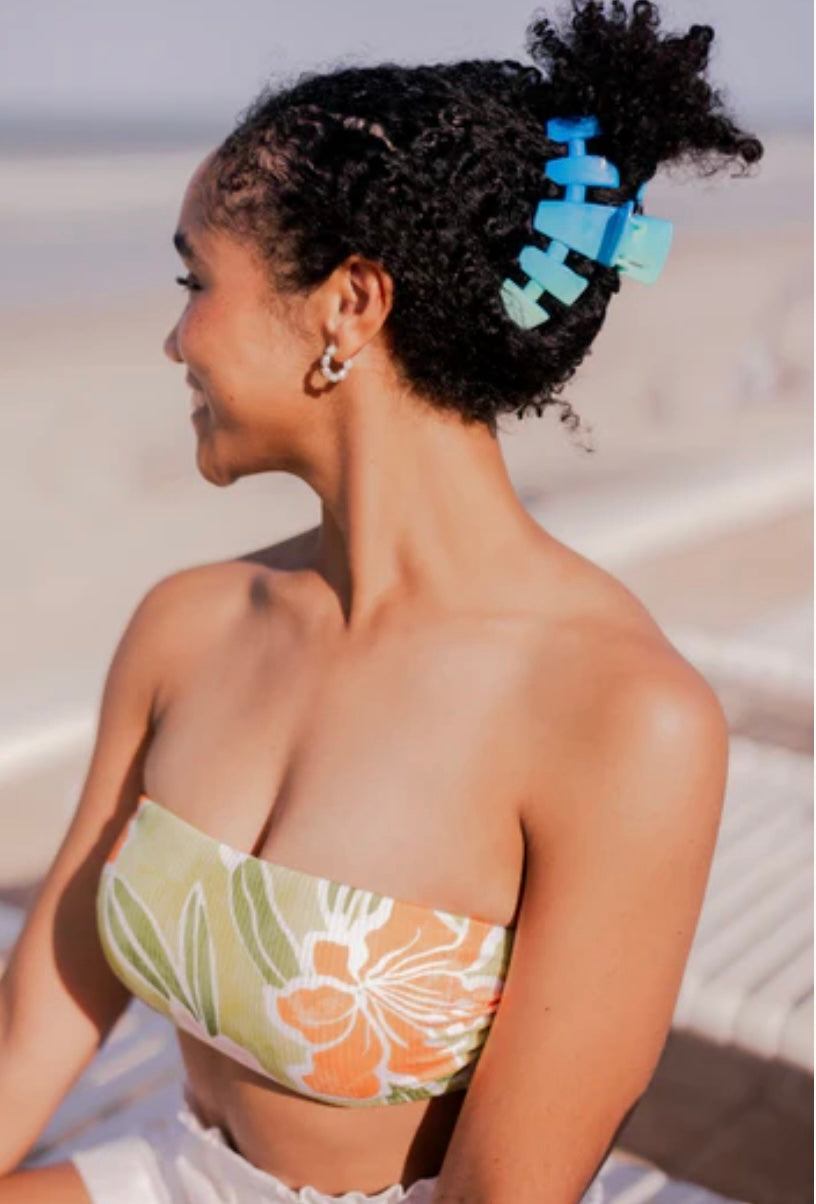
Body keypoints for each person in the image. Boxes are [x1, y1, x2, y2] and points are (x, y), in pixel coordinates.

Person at [0, 2, 763, 1201]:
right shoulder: (187, 623)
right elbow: (42, 1011)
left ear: (351, 305)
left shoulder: (624, 716)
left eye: (195, 279)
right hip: (170, 1170)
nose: (173, 339)